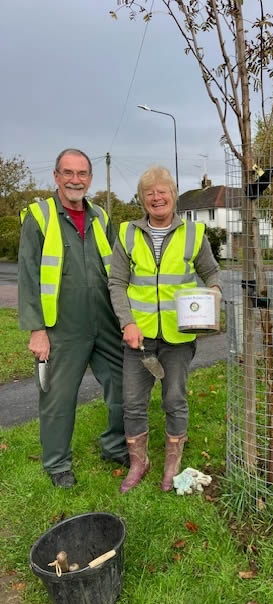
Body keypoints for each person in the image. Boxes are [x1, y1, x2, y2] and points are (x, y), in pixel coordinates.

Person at [108, 166, 222, 493]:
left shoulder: (193, 234)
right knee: (132, 401)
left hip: (178, 336)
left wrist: (213, 292)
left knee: (174, 398)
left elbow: (212, 273)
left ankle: (171, 464)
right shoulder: (127, 233)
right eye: (149, 193)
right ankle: (138, 462)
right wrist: (127, 323)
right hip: (138, 337)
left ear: (173, 195)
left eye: (163, 191)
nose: (157, 197)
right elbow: (116, 282)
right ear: (142, 199)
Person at [17, 148, 127, 488]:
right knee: (58, 398)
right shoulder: (40, 217)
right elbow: (28, 276)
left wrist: (125, 319)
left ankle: (114, 446)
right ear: (56, 176)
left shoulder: (101, 218)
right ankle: (57, 464)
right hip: (62, 327)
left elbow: (117, 272)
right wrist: (37, 329)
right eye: (68, 173)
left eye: (81, 174)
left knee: (124, 388)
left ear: (90, 180)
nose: (75, 180)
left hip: (105, 322)